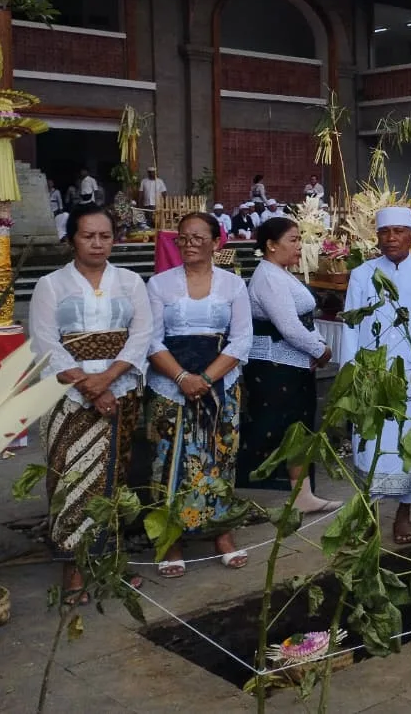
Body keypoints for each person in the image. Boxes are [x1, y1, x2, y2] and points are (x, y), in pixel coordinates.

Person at [30, 204, 153, 604]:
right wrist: (90, 387)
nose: (97, 243)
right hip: (69, 397)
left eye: (105, 236)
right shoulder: (50, 285)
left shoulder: (131, 282)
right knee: (71, 478)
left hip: (121, 390)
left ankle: (111, 562)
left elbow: (141, 335)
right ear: (72, 240)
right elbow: (45, 343)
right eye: (88, 236)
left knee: (113, 479)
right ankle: (74, 569)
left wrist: (109, 379)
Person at [145, 213, 252, 578]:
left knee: (218, 458)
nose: (189, 244)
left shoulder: (233, 285)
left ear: (216, 242)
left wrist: (205, 378)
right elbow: (151, 339)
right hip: (169, 386)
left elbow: (241, 339)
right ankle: (170, 540)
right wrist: (181, 377)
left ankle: (221, 534)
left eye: (198, 237)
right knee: (167, 459)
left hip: (220, 385)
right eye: (183, 238)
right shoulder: (159, 284)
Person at [341, 205, 411, 545]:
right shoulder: (363, 273)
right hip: (372, 374)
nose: (391, 238)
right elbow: (351, 326)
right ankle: (368, 513)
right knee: (370, 443)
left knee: (409, 445)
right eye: (385, 232)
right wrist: (352, 374)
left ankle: (404, 514)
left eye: (399, 231)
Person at [237, 217, 340, 512]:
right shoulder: (268, 277)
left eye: (299, 239)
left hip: (294, 364)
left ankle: (302, 493)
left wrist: (316, 346)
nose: (299, 246)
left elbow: (304, 320)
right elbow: (290, 327)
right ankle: (252, 491)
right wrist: (321, 350)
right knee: (276, 427)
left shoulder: (281, 274)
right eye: (293, 240)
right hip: (274, 364)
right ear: (271, 245)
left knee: (299, 426)